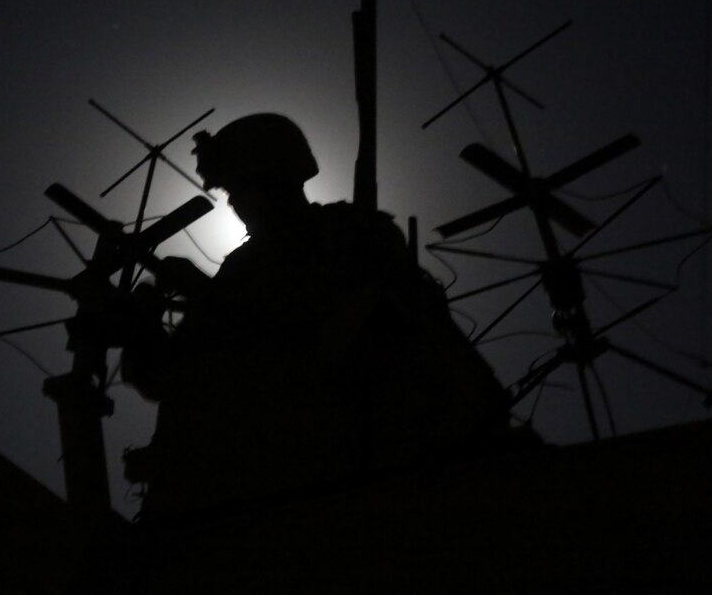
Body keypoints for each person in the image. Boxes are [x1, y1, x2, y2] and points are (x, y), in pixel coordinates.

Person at [120, 113, 511, 520]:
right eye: (231, 191)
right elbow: (173, 378)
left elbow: (330, 343)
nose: (235, 202)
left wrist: (206, 294)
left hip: (349, 480)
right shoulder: (239, 269)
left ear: (278, 176)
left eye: (241, 187)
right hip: (230, 498)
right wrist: (140, 324)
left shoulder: (350, 233)